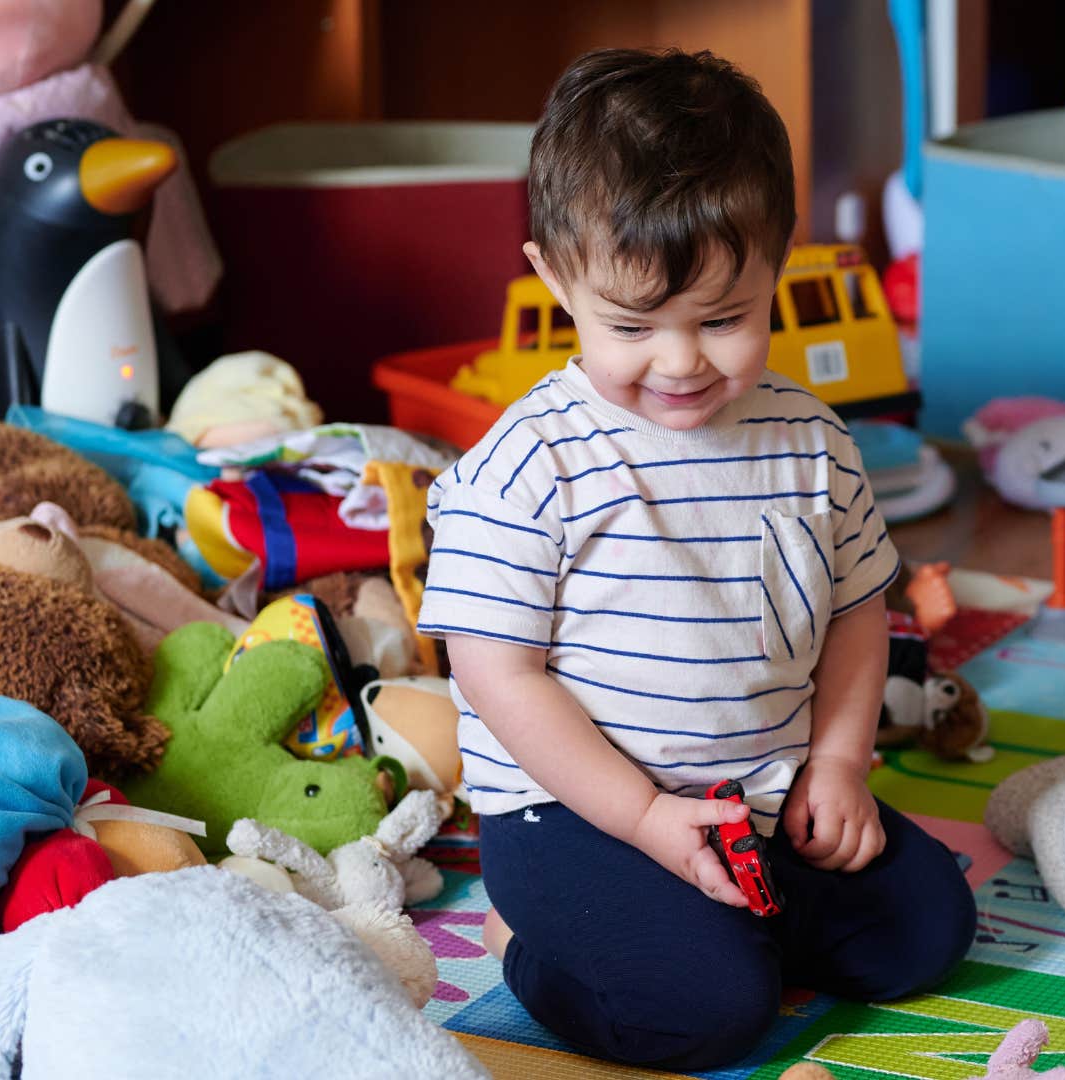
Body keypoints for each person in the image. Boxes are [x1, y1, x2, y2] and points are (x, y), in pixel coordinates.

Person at [417, 47, 976, 1071]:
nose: (682, 363)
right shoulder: (527, 464)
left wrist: (839, 764)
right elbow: (496, 673)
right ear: (553, 277)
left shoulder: (813, 441)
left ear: (779, 262)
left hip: (761, 796)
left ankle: (736, 925)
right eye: (633, 326)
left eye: (724, 319)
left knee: (928, 927)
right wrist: (641, 816)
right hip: (577, 812)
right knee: (707, 1014)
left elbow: (857, 611)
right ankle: (531, 947)